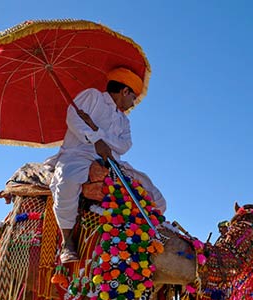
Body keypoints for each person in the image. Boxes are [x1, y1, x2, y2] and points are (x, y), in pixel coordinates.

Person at [47, 67, 166, 263]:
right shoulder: (93, 97)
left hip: (113, 163)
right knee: (67, 180)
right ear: (125, 91)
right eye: (133, 97)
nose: (132, 103)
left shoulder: (124, 121)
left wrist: (98, 132)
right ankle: (67, 240)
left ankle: (153, 238)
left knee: (154, 196)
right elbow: (73, 118)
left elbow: (124, 145)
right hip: (78, 155)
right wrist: (94, 138)